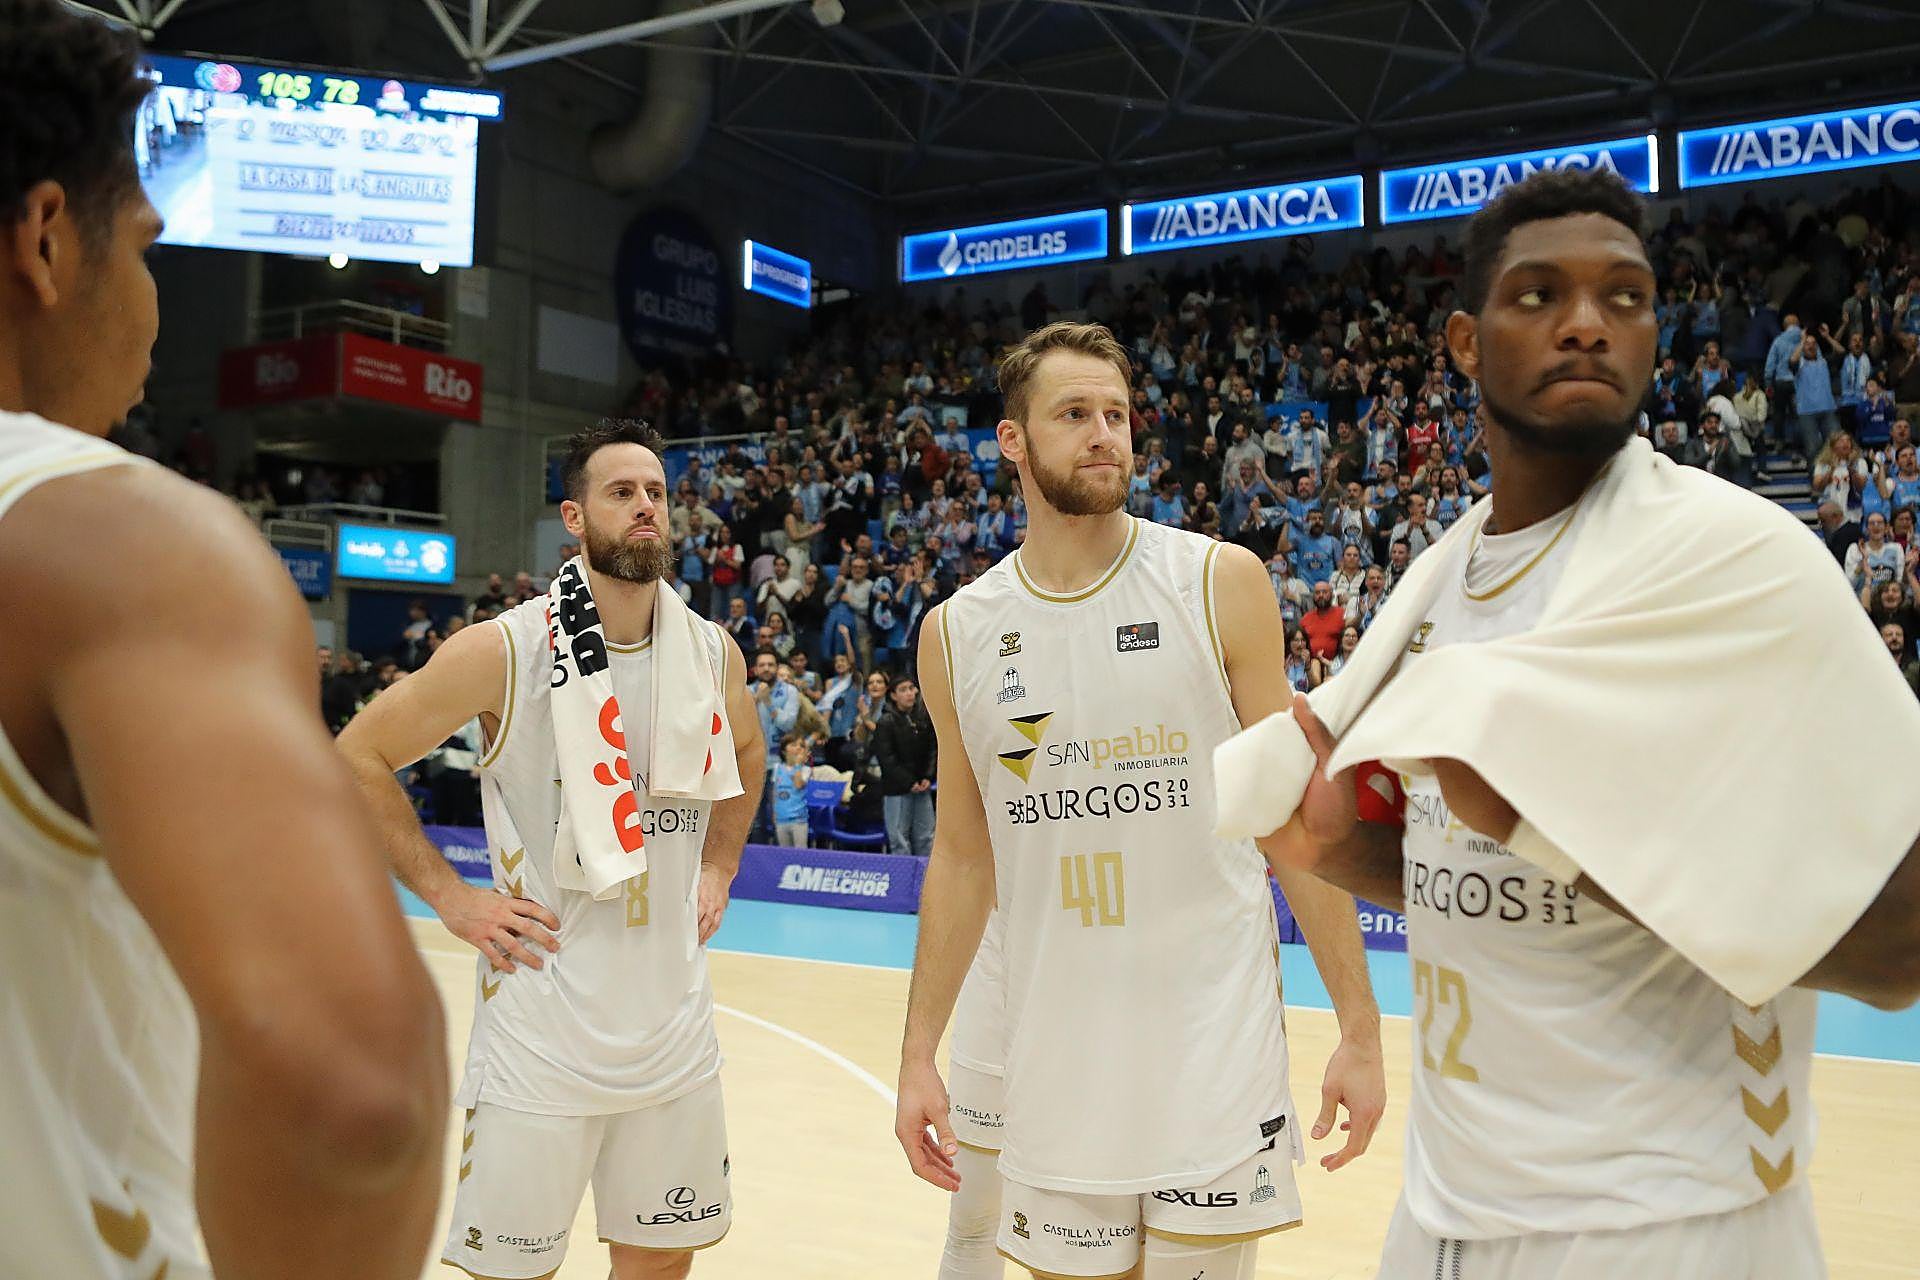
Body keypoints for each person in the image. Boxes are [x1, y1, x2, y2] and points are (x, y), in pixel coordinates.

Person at [1218, 167, 1920, 1279]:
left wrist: (1562, 830)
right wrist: (1345, 848)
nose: (1587, 324)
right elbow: (1494, 878)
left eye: (1625, 297)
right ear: (1463, 342)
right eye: (1539, 295)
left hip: (1670, 1222)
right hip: (1443, 1211)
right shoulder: (1437, 583)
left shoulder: (1739, 565)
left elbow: (1904, 945)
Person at [0, 3, 448, 1275]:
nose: (151, 298)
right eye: (144, 247)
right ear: (44, 239)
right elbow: (352, 1094)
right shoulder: (118, 548)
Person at [897, 322, 1384, 1280]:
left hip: (1210, 1052)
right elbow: (962, 854)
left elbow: (1295, 820)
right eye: (1074, 414)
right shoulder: (955, 633)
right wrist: (920, 1052)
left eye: (1116, 414)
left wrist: (1360, 1029)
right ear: (1011, 440)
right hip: (1058, 1063)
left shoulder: (1218, 581)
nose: (1103, 435)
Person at [337, 420, 765, 1280]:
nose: (646, 507)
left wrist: (720, 865)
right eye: (622, 492)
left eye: (656, 493)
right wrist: (451, 898)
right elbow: (356, 756)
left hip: (673, 1032)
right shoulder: (504, 650)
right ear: (575, 517)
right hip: (543, 1035)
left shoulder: (709, 651)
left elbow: (748, 754)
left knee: (661, 1264)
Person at [873, 673, 936, 858]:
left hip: (922, 787)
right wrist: (909, 782)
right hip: (897, 791)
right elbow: (887, 759)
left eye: (911, 688)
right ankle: (904, 884)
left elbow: (933, 749)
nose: (909, 694)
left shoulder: (923, 718)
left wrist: (927, 777)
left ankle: (925, 884)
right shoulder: (885, 722)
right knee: (900, 840)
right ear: (893, 695)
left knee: (926, 837)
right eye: (903, 690)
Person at [771, 733, 814, 847]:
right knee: (785, 855)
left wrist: (798, 765)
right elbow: (775, 792)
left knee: (800, 856)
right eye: (794, 745)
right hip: (781, 819)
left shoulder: (805, 770)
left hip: (798, 821)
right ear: (784, 750)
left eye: (801, 746)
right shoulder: (777, 768)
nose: (798, 748)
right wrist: (774, 813)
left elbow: (798, 784)